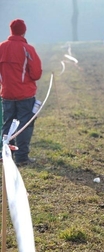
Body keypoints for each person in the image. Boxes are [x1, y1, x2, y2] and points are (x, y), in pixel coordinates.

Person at [0, 19, 42, 166]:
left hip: (6, 94)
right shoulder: (27, 49)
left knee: (8, 124)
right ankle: (22, 158)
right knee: (25, 125)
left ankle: (7, 156)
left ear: (11, 30)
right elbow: (36, 74)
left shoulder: (1, 48)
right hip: (25, 95)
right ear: (24, 31)